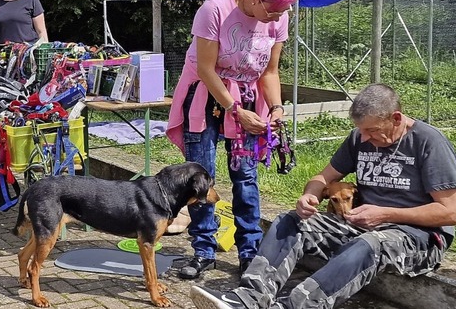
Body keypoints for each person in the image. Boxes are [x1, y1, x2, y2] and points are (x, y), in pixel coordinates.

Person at [190, 83, 456, 309]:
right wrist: (309, 196)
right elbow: (321, 178)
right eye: (361, 130)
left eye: (372, 131)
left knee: (371, 244)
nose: (364, 137)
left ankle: (296, 305)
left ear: (396, 118)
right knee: (290, 221)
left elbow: (450, 212)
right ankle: (248, 299)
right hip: (362, 224)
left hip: (417, 238)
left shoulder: (428, 143)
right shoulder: (359, 138)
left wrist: (387, 214)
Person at [165, 0, 300, 280]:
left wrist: (277, 108)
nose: (276, 18)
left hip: (247, 101)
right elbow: (206, 70)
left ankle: (250, 253)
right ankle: (203, 252)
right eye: (272, 10)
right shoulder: (215, 8)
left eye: (283, 11)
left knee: (246, 177)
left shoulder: (279, 15)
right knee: (200, 177)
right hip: (207, 95)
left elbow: (269, 72)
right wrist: (233, 109)